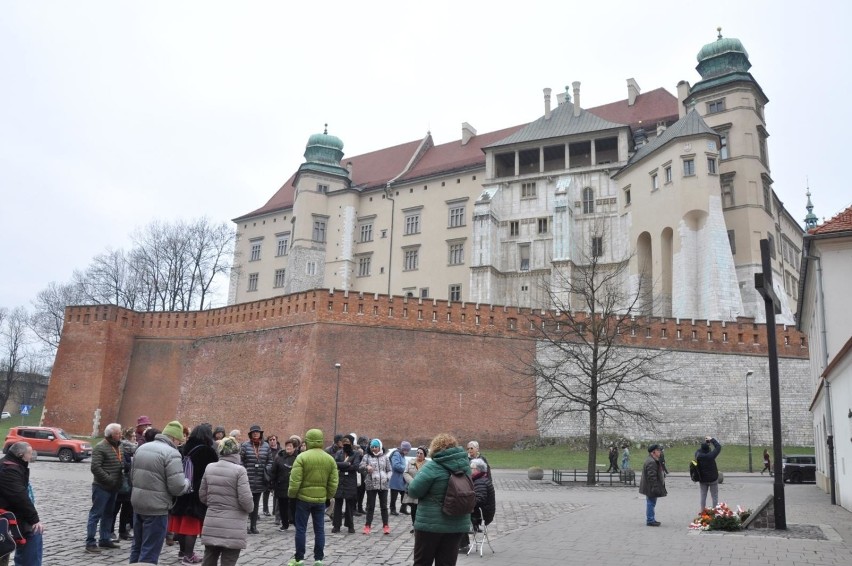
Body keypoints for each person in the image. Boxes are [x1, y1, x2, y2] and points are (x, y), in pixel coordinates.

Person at [130, 420, 191, 565]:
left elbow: (132, 476)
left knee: (137, 546)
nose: (179, 444)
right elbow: (177, 487)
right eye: (179, 441)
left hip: (138, 503)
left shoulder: (142, 448)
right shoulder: (172, 453)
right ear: (174, 438)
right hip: (157, 508)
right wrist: (187, 482)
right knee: (150, 550)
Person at [407, 433, 471, 566]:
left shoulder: (432, 467)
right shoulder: (465, 467)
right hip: (456, 524)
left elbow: (413, 490)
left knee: (422, 562)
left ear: (435, 449)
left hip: (430, 525)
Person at [286, 429, 338, 566]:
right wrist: (328, 496)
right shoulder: (329, 459)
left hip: (303, 499)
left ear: (307, 440)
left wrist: (292, 495)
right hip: (320, 500)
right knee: (319, 529)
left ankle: (299, 558)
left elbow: (295, 481)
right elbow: (333, 483)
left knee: (301, 529)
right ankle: (319, 558)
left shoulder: (302, 457)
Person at [199, 437, 253, 566]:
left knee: (209, 558)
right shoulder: (240, 471)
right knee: (229, 560)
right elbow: (246, 500)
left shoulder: (210, 468)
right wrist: (250, 509)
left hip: (212, 521)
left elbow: (202, 495)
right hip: (233, 526)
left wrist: (215, 504)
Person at [169, 423, 219, 565]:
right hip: (197, 491)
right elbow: (211, 472)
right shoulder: (207, 451)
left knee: (182, 523)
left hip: (183, 488)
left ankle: (182, 552)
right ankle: (189, 556)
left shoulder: (185, 447)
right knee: (192, 525)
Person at [0, 442, 44, 566]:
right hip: (8, 514)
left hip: (11, 512)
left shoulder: (9, 464)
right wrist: (35, 520)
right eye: (30, 453)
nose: (31, 456)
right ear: (20, 455)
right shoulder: (9, 470)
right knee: (34, 532)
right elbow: (20, 498)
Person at [85, 422, 124, 553]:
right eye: (118, 433)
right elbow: (95, 467)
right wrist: (109, 479)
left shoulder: (119, 446)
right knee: (96, 514)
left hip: (114, 487)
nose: (121, 435)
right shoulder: (100, 447)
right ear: (111, 435)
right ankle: (90, 542)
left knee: (109, 514)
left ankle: (105, 539)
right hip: (102, 487)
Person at [240, 424, 271, 534]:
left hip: (260, 479)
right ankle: (245, 526)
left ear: (261, 434)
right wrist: (244, 470)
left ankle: (253, 526)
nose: (256, 434)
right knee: (246, 503)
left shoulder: (266, 446)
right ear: (250, 434)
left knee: (256, 504)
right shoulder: (245, 446)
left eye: (257, 432)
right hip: (248, 478)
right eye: (254, 432)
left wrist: (266, 469)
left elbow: (270, 461)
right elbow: (241, 460)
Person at [459, 458, 495, 553]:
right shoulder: (480, 479)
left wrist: (465, 502)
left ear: (478, 470)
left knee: (458, 518)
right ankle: (463, 544)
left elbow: (479, 500)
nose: (469, 469)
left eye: (472, 468)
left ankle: (463, 545)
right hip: (481, 511)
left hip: (482, 514)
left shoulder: (480, 481)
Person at [359, 438, 391, 535]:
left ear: (380, 447)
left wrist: (387, 477)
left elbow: (389, 470)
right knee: (370, 506)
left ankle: (386, 525)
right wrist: (366, 467)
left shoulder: (385, 457)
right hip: (371, 484)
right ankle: (367, 526)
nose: (374, 449)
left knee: (384, 506)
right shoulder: (367, 457)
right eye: (372, 447)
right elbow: (360, 467)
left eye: (376, 447)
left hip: (383, 485)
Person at [331, 435, 361, 534]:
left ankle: (350, 525)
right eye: (344, 443)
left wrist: (343, 466)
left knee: (349, 505)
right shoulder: (339, 453)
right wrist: (347, 464)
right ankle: (336, 525)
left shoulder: (355, 454)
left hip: (350, 481)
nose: (346, 445)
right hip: (340, 480)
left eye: (348, 443)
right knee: (338, 504)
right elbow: (335, 464)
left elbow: (356, 466)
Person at [111, 427, 136, 542]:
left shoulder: (135, 450)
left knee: (126, 510)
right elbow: (123, 465)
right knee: (115, 509)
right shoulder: (122, 448)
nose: (135, 438)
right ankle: (111, 531)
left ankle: (122, 531)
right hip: (121, 483)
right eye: (133, 436)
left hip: (130, 484)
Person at [270, 438, 298, 531]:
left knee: (294, 506)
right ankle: (284, 524)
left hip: (294, 486)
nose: (288, 448)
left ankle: (295, 522)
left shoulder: (298, 458)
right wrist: (272, 484)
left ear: (294, 448)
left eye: (290, 446)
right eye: (287, 446)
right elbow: (274, 471)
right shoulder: (279, 457)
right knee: (282, 506)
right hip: (281, 485)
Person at [638, 443, 666, 527]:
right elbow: (652, 477)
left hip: (650, 486)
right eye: (658, 450)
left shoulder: (652, 459)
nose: (660, 452)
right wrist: (655, 487)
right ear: (653, 452)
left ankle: (651, 519)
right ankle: (650, 520)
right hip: (651, 487)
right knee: (651, 503)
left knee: (651, 502)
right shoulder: (651, 461)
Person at [403, 446, 428, 533]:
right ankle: (415, 525)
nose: (419, 455)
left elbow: (429, 476)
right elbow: (405, 473)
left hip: (422, 489)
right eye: (417, 453)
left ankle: (421, 526)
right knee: (413, 508)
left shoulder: (428, 464)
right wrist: (412, 482)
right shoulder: (411, 462)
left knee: (421, 508)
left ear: (424, 455)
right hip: (413, 488)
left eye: (421, 453)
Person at [696, 436, 722, 510]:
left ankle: (702, 511)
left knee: (703, 496)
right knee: (714, 496)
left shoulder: (698, 455)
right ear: (708, 448)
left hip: (702, 479)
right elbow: (718, 447)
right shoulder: (711, 455)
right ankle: (715, 511)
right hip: (713, 479)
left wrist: (705, 444)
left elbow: (700, 450)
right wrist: (711, 440)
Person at [389, 440, 411, 515]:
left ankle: (403, 508)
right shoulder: (396, 454)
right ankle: (392, 509)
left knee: (405, 494)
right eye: (406, 450)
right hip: (395, 479)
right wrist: (405, 468)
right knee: (394, 496)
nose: (407, 452)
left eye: (408, 450)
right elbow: (395, 465)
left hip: (401, 480)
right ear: (403, 449)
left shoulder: (402, 455)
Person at [263, 435, 281, 521]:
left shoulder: (280, 451)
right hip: (268, 472)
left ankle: (275, 510)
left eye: (274, 439)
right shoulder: (266, 450)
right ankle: (265, 509)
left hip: (277, 473)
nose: (272, 441)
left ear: (276, 440)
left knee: (276, 492)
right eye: (270, 440)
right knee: (266, 491)